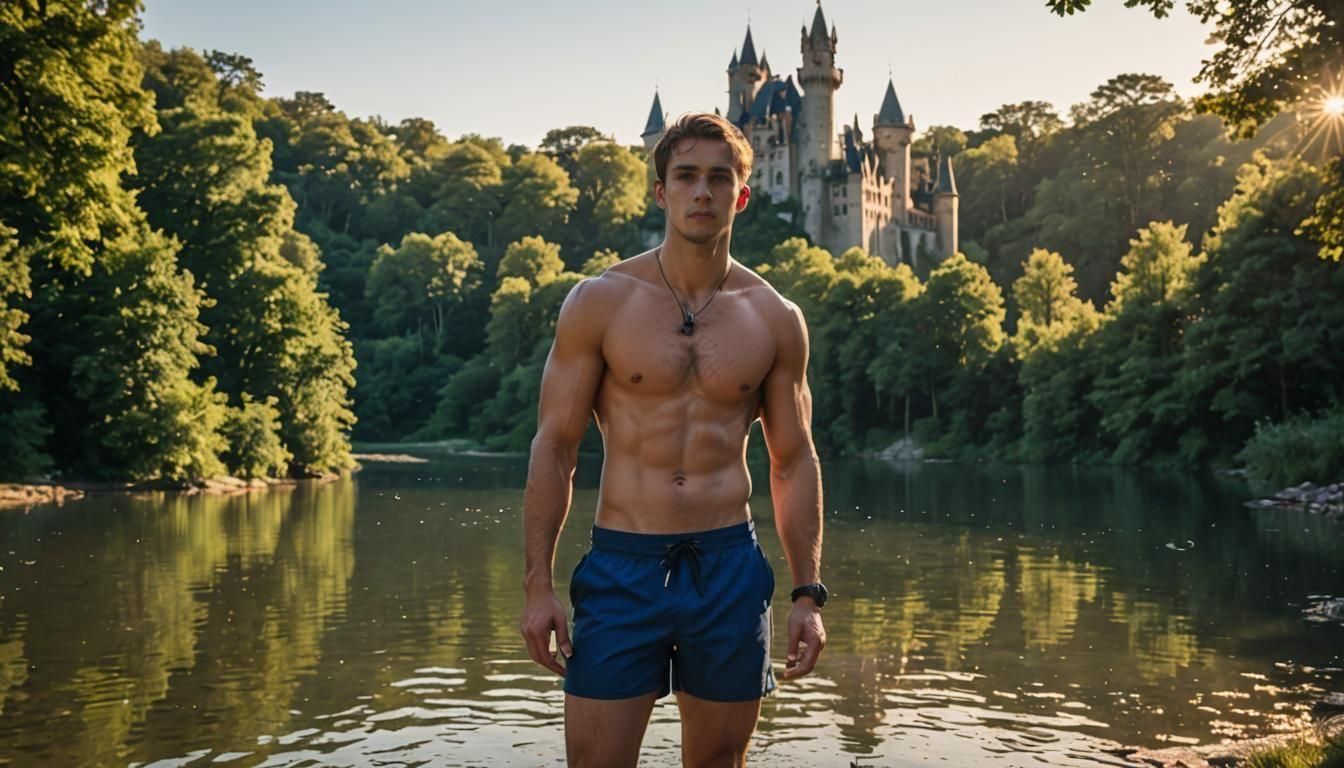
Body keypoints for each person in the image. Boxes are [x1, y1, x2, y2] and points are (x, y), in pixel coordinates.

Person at [519, 111, 826, 768]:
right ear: (660, 192)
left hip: (728, 569)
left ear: (743, 194)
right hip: (622, 566)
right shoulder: (600, 301)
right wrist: (537, 586)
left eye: (720, 179)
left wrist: (808, 593)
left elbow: (793, 459)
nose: (702, 192)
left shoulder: (774, 317)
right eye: (685, 176)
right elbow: (555, 448)